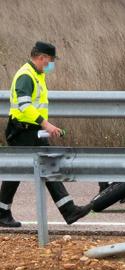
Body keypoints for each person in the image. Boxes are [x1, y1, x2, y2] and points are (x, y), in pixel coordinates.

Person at [0, 41, 93, 227]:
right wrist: (46, 124)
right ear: (42, 58)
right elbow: (25, 106)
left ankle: (2, 212)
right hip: (22, 130)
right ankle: (69, 211)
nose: (51, 65)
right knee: (45, 166)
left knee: (19, 170)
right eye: (50, 61)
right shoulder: (26, 76)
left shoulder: (36, 74)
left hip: (28, 130)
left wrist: (43, 126)